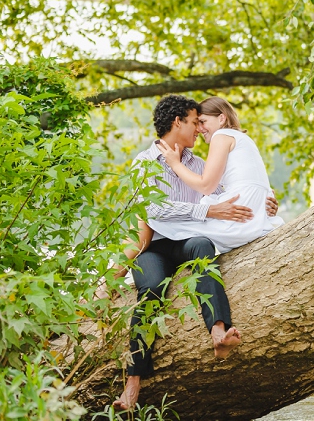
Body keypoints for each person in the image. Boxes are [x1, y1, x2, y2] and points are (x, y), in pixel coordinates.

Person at [113, 95, 279, 411]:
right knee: (151, 288)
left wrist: (265, 203)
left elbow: (228, 197)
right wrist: (208, 212)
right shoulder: (143, 163)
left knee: (203, 248)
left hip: (190, 239)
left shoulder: (199, 165)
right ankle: (133, 383)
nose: (199, 129)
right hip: (156, 247)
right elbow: (153, 208)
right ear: (178, 122)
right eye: (194, 121)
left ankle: (219, 331)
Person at [150, 96, 283, 253]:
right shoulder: (242, 139)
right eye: (196, 123)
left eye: (203, 121)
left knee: (155, 220)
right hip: (256, 217)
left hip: (240, 221)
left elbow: (206, 186)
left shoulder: (221, 136)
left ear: (221, 118)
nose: (199, 129)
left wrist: (175, 164)